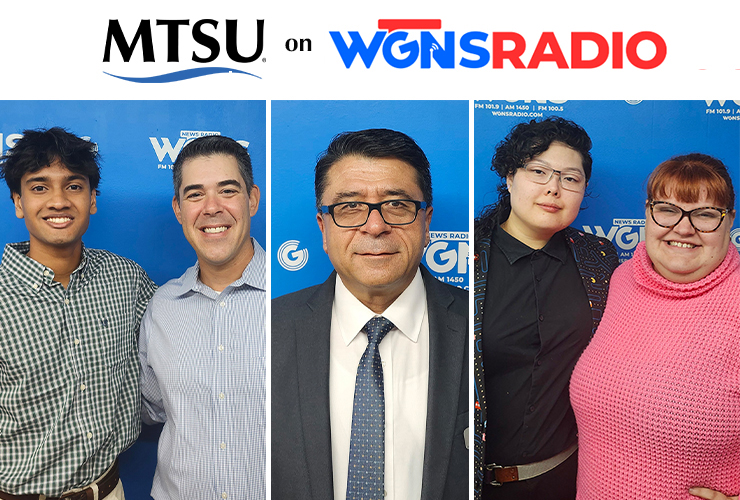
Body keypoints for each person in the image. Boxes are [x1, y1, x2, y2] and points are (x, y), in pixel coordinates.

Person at [272, 128, 468, 500]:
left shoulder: (478, 323)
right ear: (323, 228)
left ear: (426, 222)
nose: (375, 226)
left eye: (396, 204)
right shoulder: (270, 329)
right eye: (350, 207)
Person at [571, 153, 740, 500]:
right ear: (648, 212)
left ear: (729, 220)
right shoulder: (623, 280)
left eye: (705, 214)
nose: (683, 227)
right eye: (667, 209)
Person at [0, 127, 156, 499]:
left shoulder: (126, 278)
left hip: (109, 489)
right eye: (39, 187)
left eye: (73, 186)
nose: (58, 201)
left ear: (92, 199)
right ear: (18, 202)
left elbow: (181, 337)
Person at [473, 117, 619, 500]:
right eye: (538, 171)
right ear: (509, 176)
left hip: (568, 478)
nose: (553, 188)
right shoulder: (467, 257)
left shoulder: (599, 260)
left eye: (570, 178)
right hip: (470, 482)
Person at [139, 135, 265, 499]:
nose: (212, 208)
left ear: (252, 199)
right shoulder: (161, 307)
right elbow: (153, 409)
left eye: (227, 190)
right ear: (179, 209)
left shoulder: (290, 297)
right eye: (195, 195)